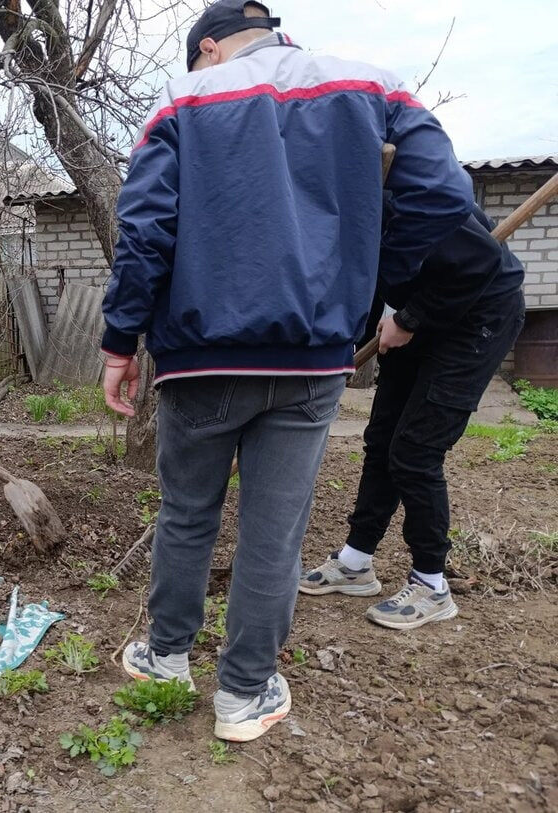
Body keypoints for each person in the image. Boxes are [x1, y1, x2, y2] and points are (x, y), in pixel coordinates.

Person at [100, 0, 475, 742]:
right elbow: (444, 198)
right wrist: (365, 287)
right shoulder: (374, 87)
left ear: (208, 48)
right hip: (311, 358)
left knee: (187, 512)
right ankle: (242, 696)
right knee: (275, 532)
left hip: (201, 357)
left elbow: (143, 229)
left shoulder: (182, 100)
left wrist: (120, 341)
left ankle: (167, 655)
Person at [300, 204, 525, 628]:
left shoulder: (402, 191)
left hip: (478, 313)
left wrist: (409, 319)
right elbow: (365, 280)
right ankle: (355, 563)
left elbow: (480, 258)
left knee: (415, 450)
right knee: (382, 440)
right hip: (423, 307)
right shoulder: (330, 202)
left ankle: (432, 584)